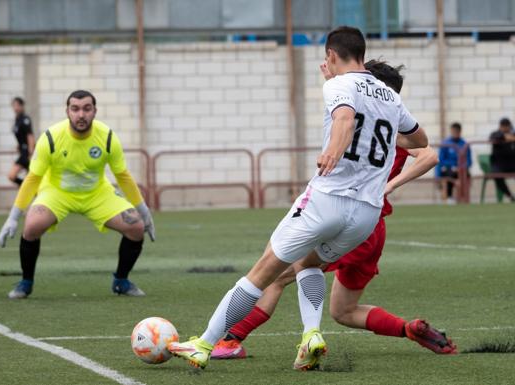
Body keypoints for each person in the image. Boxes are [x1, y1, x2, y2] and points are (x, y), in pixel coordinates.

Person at [168, 26, 428, 370]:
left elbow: (346, 118)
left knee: (262, 272)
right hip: (366, 214)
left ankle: (203, 344)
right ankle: (311, 337)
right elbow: (419, 140)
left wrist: (334, 150)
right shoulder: (391, 97)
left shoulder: (337, 85)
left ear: (332, 55)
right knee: (308, 264)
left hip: (328, 199)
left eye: (327, 58)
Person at [211, 60, 456, 364]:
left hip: (347, 220)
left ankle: (230, 340)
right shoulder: (392, 126)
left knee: (275, 275)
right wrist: (390, 185)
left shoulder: (358, 120)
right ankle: (409, 329)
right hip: (373, 228)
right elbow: (429, 153)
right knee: (343, 311)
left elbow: (346, 121)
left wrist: (389, 185)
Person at [0, 90, 156, 299]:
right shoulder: (51, 138)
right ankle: (26, 283)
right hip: (57, 193)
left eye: (87, 109)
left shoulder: (107, 137)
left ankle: (121, 281)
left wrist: (144, 212)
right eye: (75, 109)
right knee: (32, 225)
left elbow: (123, 176)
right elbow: (33, 178)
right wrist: (13, 217)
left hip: (97, 193)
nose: (81, 115)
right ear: (68, 112)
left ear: (95, 111)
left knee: (135, 226)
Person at [437, 122, 471, 204]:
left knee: (465, 175)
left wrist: (460, 167)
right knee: (449, 173)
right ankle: (449, 197)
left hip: (461, 169)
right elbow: (441, 160)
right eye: (453, 131)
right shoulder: (445, 143)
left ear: (460, 132)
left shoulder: (464, 144)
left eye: (456, 131)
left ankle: (463, 198)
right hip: (448, 169)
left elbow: (469, 161)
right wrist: (451, 166)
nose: (455, 133)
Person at [8, 97, 35, 186]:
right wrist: (18, 145)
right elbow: (20, 136)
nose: (15, 108)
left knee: (12, 175)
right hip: (22, 152)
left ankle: (29, 190)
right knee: (28, 179)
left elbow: (30, 136)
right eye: (14, 106)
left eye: (18, 105)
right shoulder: (17, 119)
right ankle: (29, 190)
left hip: (27, 153)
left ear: (22, 106)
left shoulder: (25, 119)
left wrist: (31, 153)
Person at [489, 117, 515, 202]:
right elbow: (493, 138)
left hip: (512, 163)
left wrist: (511, 137)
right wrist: (504, 137)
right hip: (499, 164)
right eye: (503, 126)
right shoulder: (495, 134)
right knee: (496, 175)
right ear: (500, 126)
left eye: (507, 126)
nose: (505, 128)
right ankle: (510, 196)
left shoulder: (513, 134)